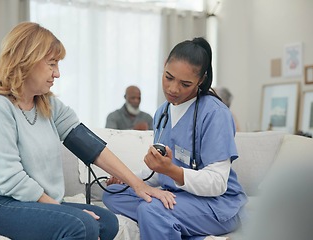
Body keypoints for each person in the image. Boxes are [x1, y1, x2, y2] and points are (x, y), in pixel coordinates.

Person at [0, 22, 172, 240]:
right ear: (26, 61)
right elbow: (9, 178)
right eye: (52, 64)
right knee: (81, 226)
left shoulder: (47, 105)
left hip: (31, 201)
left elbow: (91, 147)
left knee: (107, 223)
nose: (57, 73)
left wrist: (139, 185)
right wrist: (59, 209)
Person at [102, 37, 247, 239]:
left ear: (201, 80)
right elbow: (159, 173)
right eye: (168, 77)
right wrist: (130, 179)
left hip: (217, 204)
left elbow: (217, 183)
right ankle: (174, 224)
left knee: (150, 210)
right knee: (113, 194)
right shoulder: (162, 112)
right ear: (164, 67)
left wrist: (172, 171)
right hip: (179, 198)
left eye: (185, 84)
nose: (173, 89)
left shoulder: (215, 114)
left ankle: (165, 220)